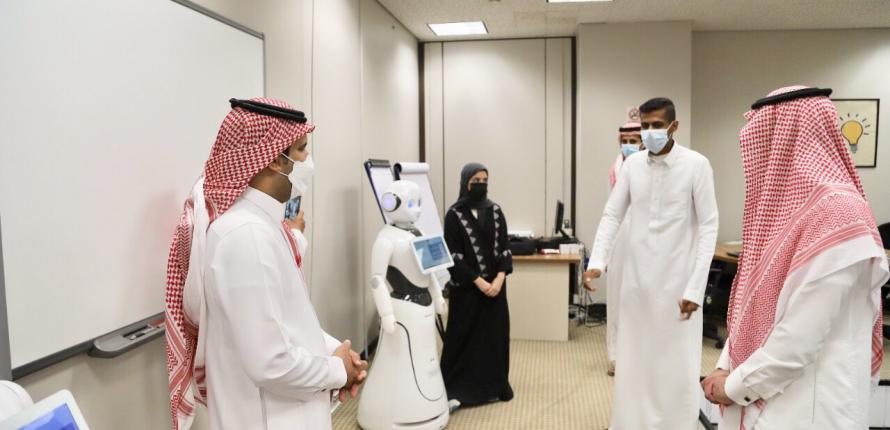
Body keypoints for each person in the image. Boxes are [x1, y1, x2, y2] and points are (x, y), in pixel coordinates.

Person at [164, 98, 367, 430]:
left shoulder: (263, 225)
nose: (308, 160)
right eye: (302, 149)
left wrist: (339, 355)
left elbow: (285, 321)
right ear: (274, 159)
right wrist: (336, 370)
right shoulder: (246, 236)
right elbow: (271, 362)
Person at [702, 86, 890, 429]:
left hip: (811, 409)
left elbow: (797, 341)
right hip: (771, 397)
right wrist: (725, 365)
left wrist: (733, 386)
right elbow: (751, 307)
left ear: (785, 137)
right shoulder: (787, 216)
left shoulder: (838, 214)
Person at [583, 97, 718, 429]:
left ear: (674, 126)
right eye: (645, 125)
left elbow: (709, 226)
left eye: (657, 125)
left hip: (678, 286)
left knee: (675, 365)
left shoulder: (696, 165)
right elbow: (612, 214)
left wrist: (695, 288)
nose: (649, 132)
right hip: (637, 284)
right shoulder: (632, 166)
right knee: (635, 362)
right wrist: (597, 260)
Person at [440, 163, 514, 411]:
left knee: (494, 338)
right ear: (465, 183)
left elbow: (505, 249)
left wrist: (499, 279)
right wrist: (480, 282)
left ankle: (494, 387)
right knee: (464, 339)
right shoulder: (454, 215)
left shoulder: (495, 211)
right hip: (468, 291)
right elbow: (454, 257)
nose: (481, 185)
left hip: (496, 290)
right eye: (476, 181)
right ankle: (460, 390)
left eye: (484, 180)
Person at [597, 117, 644, 377]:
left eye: (633, 141)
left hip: (644, 244)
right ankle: (615, 357)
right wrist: (603, 254)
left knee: (639, 302)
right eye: (624, 141)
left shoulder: (649, 167)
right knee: (616, 303)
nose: (628, 145)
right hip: (619, 244)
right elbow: (611, 213)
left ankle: (637, 357)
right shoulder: (614, 170)